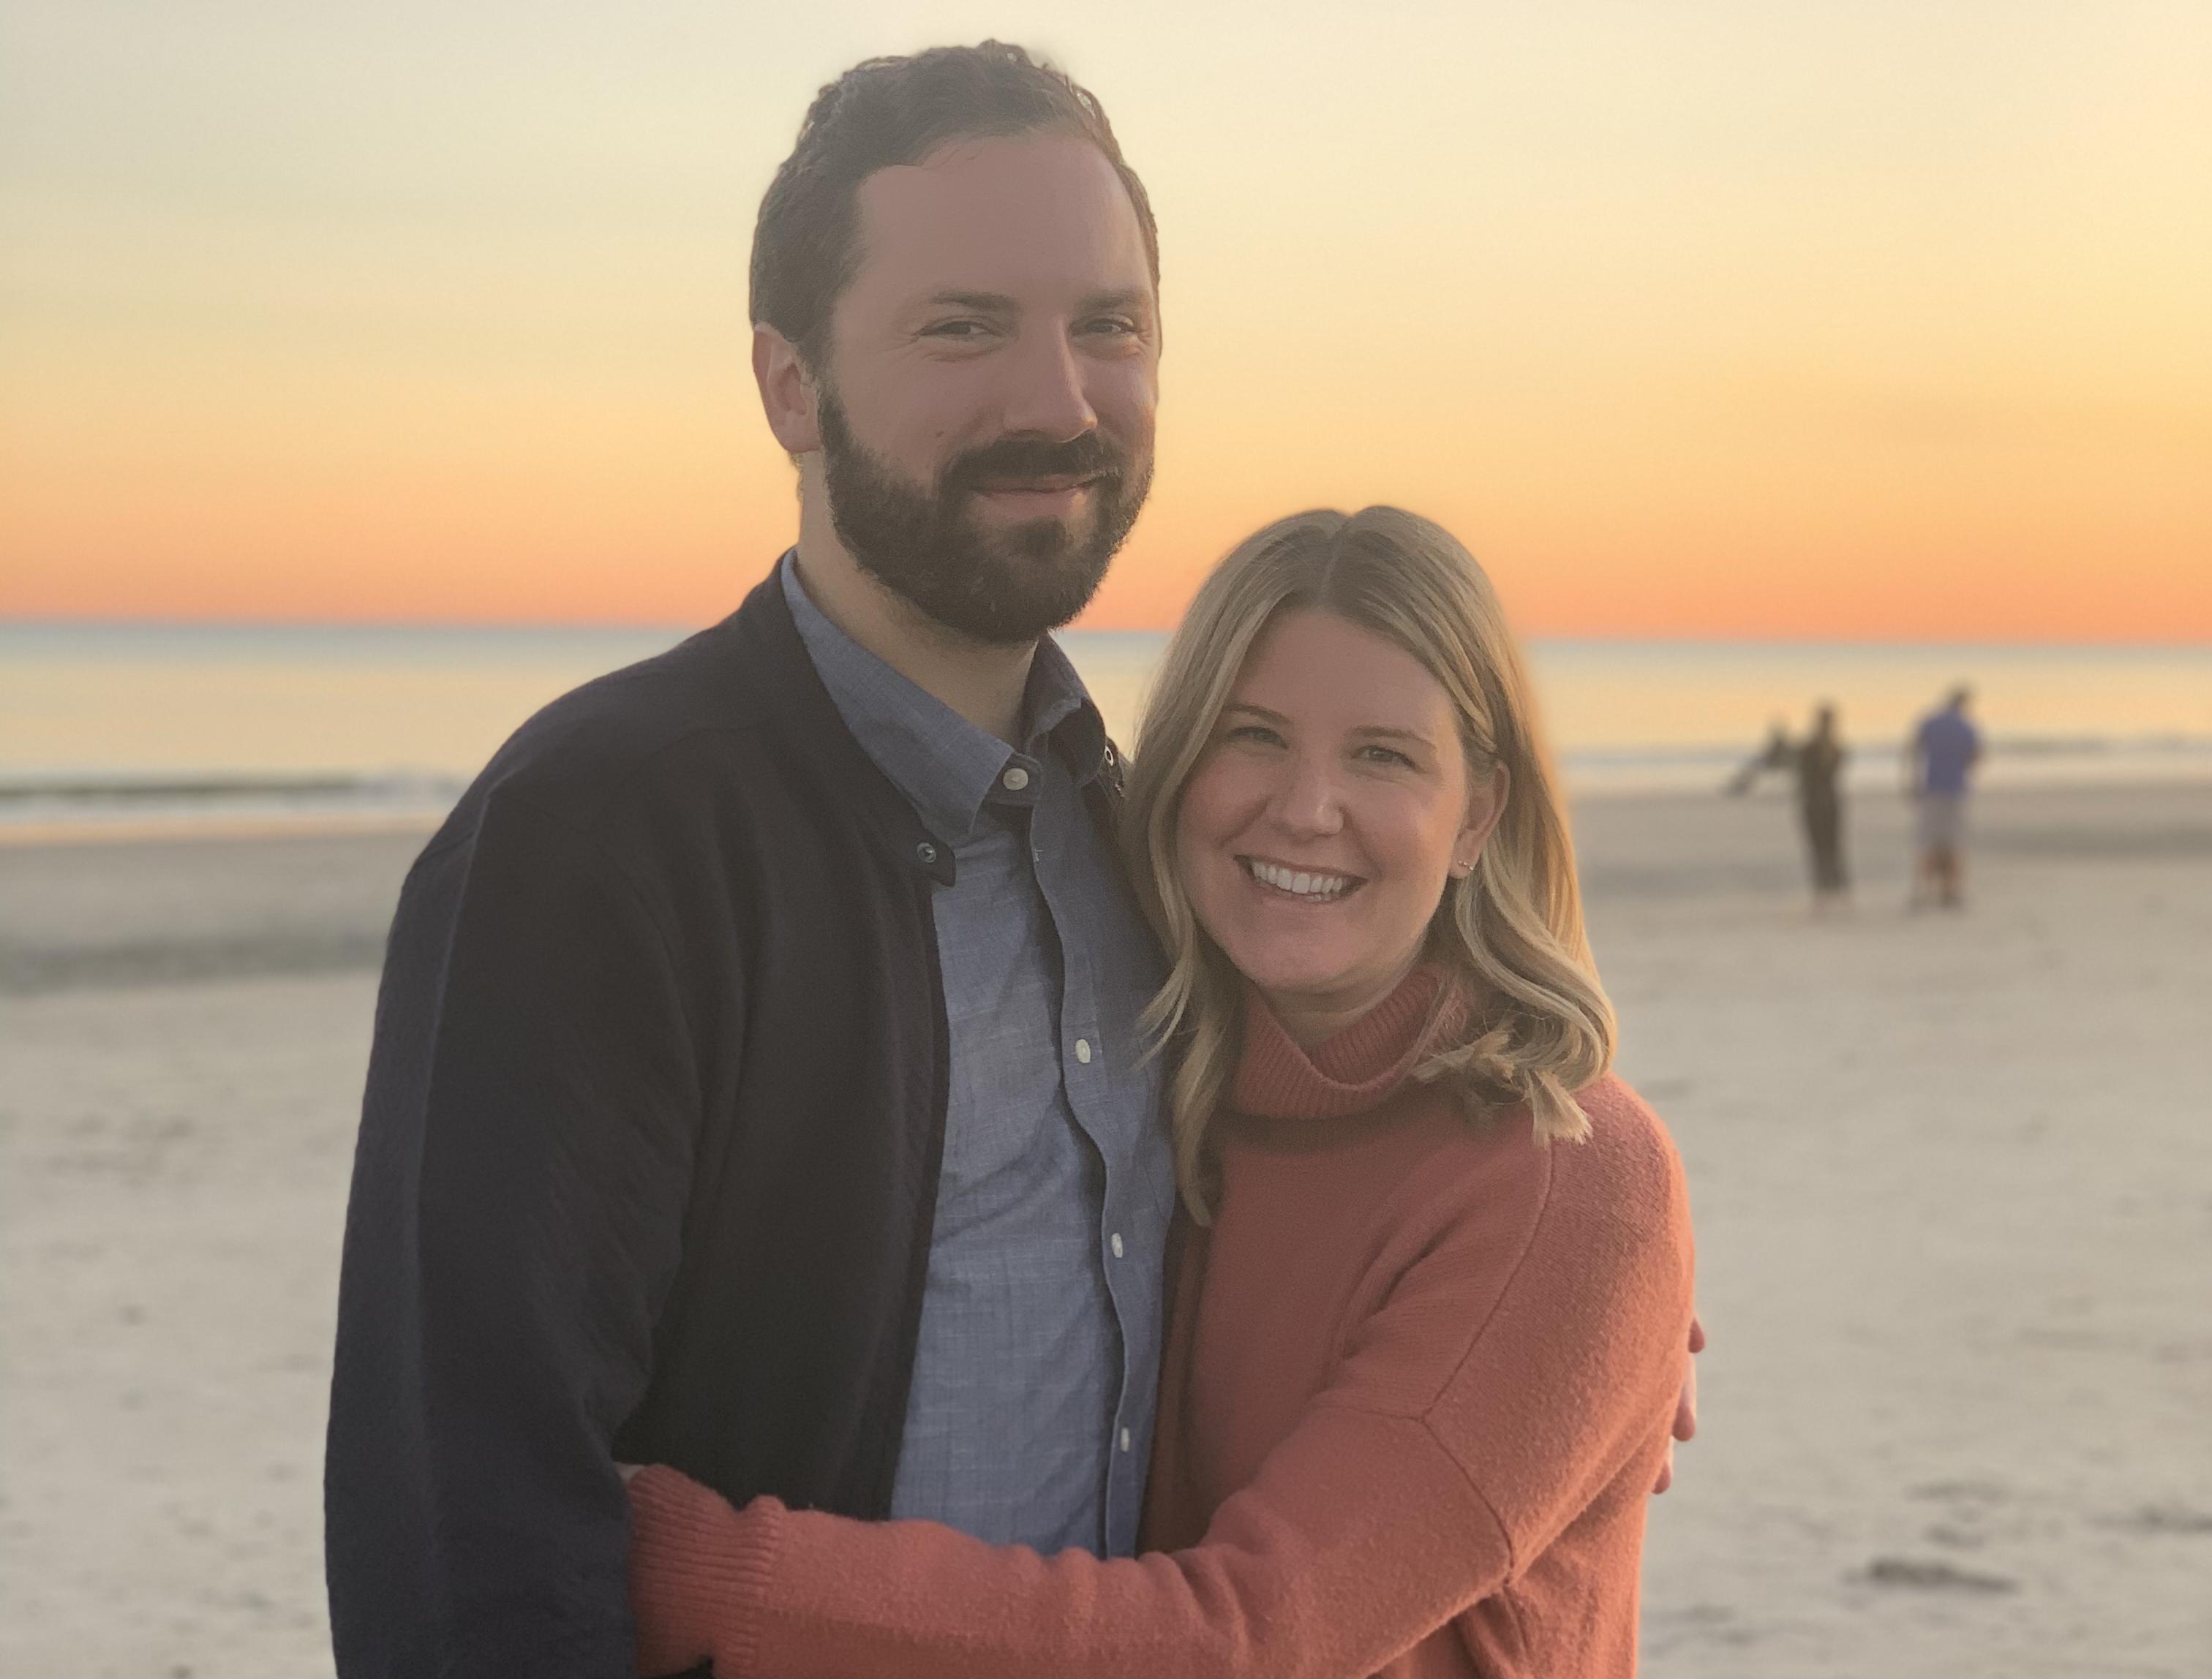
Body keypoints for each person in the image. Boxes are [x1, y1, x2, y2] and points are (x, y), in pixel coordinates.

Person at [323, 44, 1700, 1677]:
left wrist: (1596, 1282)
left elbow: (1405, 1181)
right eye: (963, 327)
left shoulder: (1132, 857)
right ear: (788, 387)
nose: (1057, 401)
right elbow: (462, 1523)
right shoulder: (602, 832)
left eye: (1108, 327)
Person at [621, 508, 1698, 1679]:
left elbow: (1249, 1638)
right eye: (1255, 736)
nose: (1306, 808)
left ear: (1479, 814)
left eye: (1383, 755)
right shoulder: (1142, 1089)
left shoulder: (1567, 1184)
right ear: (1180, 767)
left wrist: (685, 1566)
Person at [1725, 704, 1849, 908]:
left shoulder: (1813, 748)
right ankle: (1840, 894)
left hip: (1813, 804)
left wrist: (1780, 743)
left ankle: (1824, 895)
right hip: (1831, 804)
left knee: (1819, 851)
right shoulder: (1837, 748)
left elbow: (1789, 764)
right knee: (1833, 850)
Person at [1908, 684, 1982, 909]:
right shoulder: (1965, 726)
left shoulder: (1930, 722)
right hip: (1955, 790)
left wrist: (1913, 780)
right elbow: (1975, 757)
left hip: (1932, 789)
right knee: (1954, 843)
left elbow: (1914, 751)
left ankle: (1924, 891)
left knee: (1928, 842)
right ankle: (1951, 891)